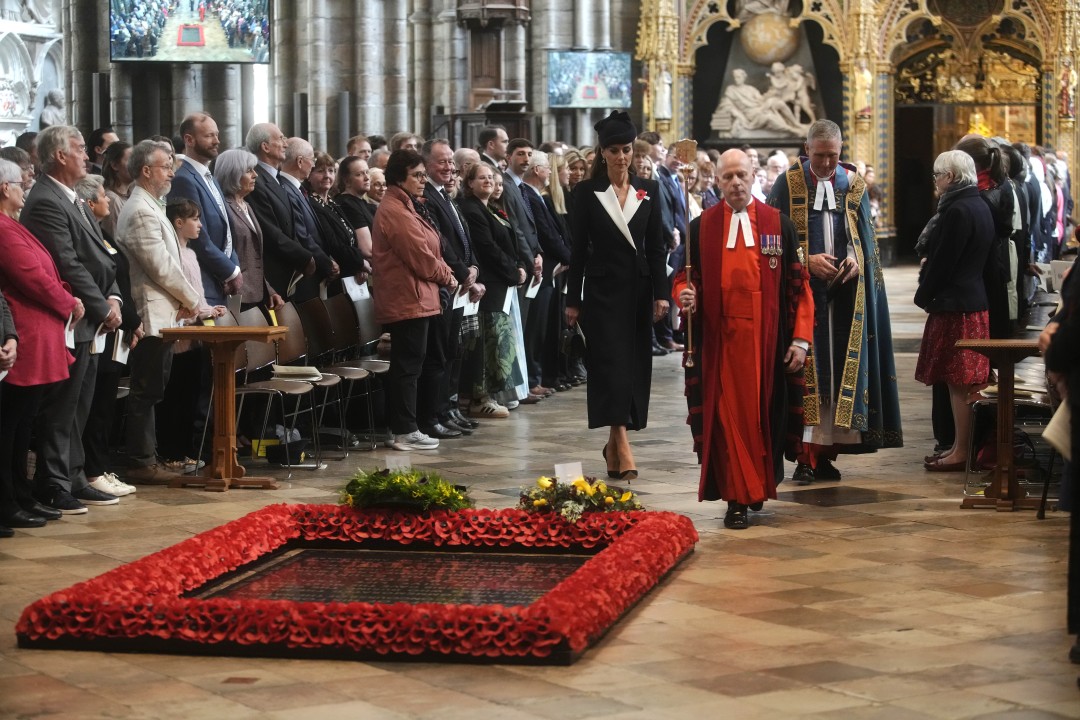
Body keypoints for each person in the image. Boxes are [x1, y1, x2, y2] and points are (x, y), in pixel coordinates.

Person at [673, 149, 813, 529]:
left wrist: (800, 340)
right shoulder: (701, 227)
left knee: (759, 418)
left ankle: (754, 487)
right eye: (727, 177)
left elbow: (800, 286)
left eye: (741, 175)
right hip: (719, 343)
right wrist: (685, 294)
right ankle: (736, 498)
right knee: (726, 418)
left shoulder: (777, 223)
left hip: (765, 345)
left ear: (755, 176)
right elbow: (686, 277)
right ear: (716, 181)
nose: (735, 182)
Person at [768, 119, 903, 485]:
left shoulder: (853, 185)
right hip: (803, 294)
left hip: (845, 297)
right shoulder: (788, 184)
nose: (827, 164)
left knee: (838, 374)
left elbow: (867, 241)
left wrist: (857, 259)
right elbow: (772, 239)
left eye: (834, 156)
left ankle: (827, 453)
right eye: (820, 155)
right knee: (810, 373)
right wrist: (805, 260)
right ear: (806, 149)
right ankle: (804, 456)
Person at [21, 125, 124, 514]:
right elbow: (68, 263)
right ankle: (52, 482)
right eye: (80, 149)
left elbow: (103, 255)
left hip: (91, 319)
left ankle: (75, 476)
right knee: (62, 409)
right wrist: (103, 308)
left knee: (81, 405)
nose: (87, 155)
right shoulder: (47, 200)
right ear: (60, 156)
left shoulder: (74, 198)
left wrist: (112, 295)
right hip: (72, 318)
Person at [565, 110, 670, 481]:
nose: (622, 157)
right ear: (603, 153)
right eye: (614, 150)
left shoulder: (649, 190)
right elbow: (577, 250)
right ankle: (621, 442)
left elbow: (656, 248)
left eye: (627, 149)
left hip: (639, 291)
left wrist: (663, 294)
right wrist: (572, 299)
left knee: (635, 365)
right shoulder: (586, 193)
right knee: (609, 365)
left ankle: (616, 441)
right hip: (601, 291)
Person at [0, 159, 81, 528]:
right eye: (20, 182)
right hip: (26, 335)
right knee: (11, 422)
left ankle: (20, 492)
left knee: (23, 420)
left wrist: (67, 296)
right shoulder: (2, 229)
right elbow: (31, 277)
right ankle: (8, 499)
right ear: (5, 188)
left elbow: (47, 270)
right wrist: (69, 301)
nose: (24, 187)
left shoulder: (12, 225)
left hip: (39, 334)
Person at [114, 140, 201, 485]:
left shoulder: (151, 204)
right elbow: (160, 266)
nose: (171, 172)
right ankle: (140, 461)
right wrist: (192, 299)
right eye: (166, 166)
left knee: (153, 389)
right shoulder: (138, 210)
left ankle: (147, 456)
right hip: (150, 312)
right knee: (146, 389)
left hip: (164, 311)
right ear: (146, 170)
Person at [370, 149, 457, 451]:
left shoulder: (407, 205)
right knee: (407, 366)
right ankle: (404, 429)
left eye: (423, 174)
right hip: (407, 299)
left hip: (417, 296)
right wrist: (447, 276)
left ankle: (407, 426)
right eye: (417, 175)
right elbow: (420, 256)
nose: (423, 180)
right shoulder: (395, 209)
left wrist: (444, 270)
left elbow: (432, 246)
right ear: (399, 177)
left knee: (413, 364)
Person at [915, 151, 995, 472]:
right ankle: (958, 446)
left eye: (937, 176)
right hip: (972, 302)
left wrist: (924, 296)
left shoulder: (957, 210)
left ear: (950, 176)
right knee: (958, 381)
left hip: (956, 307)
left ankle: (962, 450)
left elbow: (943, 264)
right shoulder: (979, 204)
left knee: (960, 382)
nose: (935, 182)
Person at [155, 199, 227, 469]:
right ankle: (170, 452)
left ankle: (187, 450)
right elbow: (179, 294)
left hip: (195, 335)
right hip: (180, 335)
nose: (199, 224)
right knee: (177, 394)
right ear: (178, 223)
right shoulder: (172, 253)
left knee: (192, 395)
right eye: (194, 219)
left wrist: (209, 308)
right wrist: (200, 312)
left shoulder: (191, 253)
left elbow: (196, 295)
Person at [458, 162, 527, 418]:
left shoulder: (492, 208)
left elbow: (512, 242)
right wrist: (513, 271)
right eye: (482, 178)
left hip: (502, 281)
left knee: (499, 339)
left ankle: (491, 393)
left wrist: (520, 266)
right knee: (489, 340)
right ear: (470, 183)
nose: (488, 181)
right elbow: (488, 249)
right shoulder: (472, 209)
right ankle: (479, 396)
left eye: (490, 177)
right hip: (490, 282)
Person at [168, 112, 242, 307]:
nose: (217, 141)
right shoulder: (184, 179)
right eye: (209, 136)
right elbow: (197, 237)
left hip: (220, 282)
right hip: (203, 283)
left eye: (217, 135)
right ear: (189, 139)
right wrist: (229, 271)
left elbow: (227, 231)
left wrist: (233, 267)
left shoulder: (210, 177)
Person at [213, 148, 284, 312]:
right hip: (237, 295)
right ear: (233, 174)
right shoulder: (224, 207)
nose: (255, 175)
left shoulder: (247, 205)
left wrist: (269, 290)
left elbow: (254, 257)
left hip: (257, 293)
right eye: (248, 170)